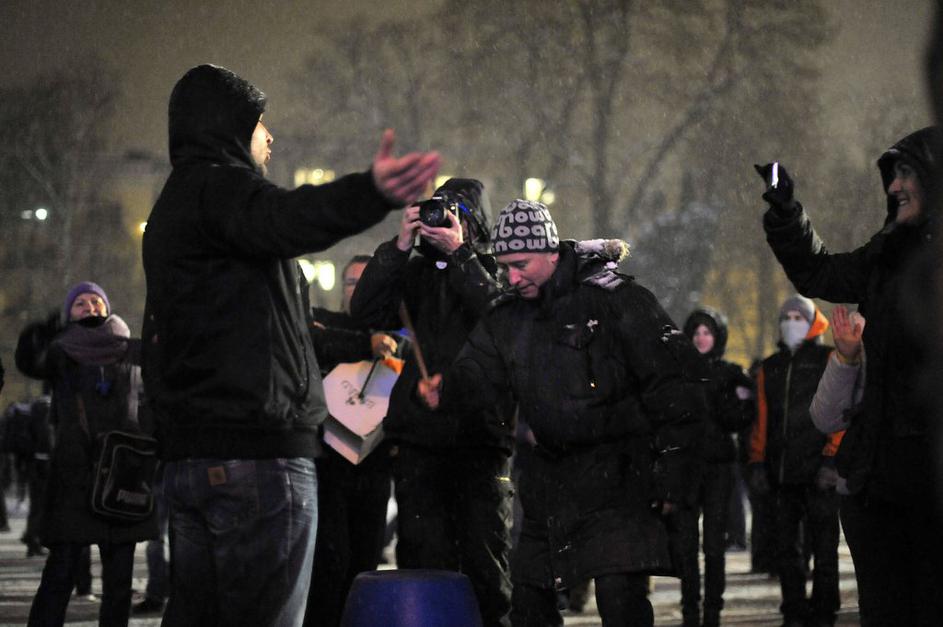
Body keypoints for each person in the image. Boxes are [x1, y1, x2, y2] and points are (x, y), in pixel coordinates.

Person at [141, 63, 439, 627]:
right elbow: (289, 217)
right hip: (256, 458)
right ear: (229, 129)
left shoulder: (173, 209)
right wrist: (369, 191)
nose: (269, 137)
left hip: (196, 457)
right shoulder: (222, 191)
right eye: (259, 124)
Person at [418, 199, 707, 627]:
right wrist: (448, 391)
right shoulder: (509, 317)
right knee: (530, 607)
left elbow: (674, 385)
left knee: (619, 602)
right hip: (550, 486)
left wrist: (675, 473)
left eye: (521, 264)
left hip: (619, 481)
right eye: (504, 267)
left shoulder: (615, 301)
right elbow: (476, 374)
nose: (512, 278)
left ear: (552, 253)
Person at [757, 127, 943, 625]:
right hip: (878, 485)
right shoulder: (885, 256)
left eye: (907, 173)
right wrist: (786, 215)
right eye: (893, 174)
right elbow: (820, 273)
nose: (895, 187)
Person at [349, 178, 515, 627]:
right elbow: (363, 312)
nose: (442, 220)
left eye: (454, 211)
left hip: (480, 442)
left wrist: (461, 255)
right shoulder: (414, 271)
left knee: (487, 564)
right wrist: (400, 245)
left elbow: (501, 322)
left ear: (472, 222)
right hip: (420, 442)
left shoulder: (493, 270)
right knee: (424, 561)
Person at [16, 281, 156, 627]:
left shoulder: (131, 349)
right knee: (60, 572)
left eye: (95, 301)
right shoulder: (61, 351)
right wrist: (39, 334)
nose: (90, 307)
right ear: (69, 314)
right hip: (73, 476)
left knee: (119, 581)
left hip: (124, 473)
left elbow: (155, 397)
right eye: (81, 303)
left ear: (107, 308)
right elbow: (30, 363)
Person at [302, 254, 400, 627]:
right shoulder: (328, 324)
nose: (356, 290)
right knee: (330, 560)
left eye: (365, 282)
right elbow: (314, 338)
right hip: (329, 468)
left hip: (373, 468)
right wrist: (365, 343)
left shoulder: (396, 334)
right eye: (351, 282)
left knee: (364, 560)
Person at [747, 295, 842, 627]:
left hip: (820, 471)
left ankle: (825, 609)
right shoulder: (770, 368)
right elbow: (762, 418)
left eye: (798, 316)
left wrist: (831, 459)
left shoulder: (829, 359)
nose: (791, 322)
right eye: (785, 316)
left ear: (813, 321)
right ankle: (794, 609)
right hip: (783, 474)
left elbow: (840, 412)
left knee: (825, 548)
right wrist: (758, 462)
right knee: (787, 550)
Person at [675, 307, 753, 627]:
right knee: (686, 545)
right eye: (696, 333)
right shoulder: (677, 372)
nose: (701, 338)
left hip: (719, 466)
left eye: (707, 332)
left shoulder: (731, 373)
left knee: (713, 545)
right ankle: (690, 610)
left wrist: (729, 405)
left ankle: (712, 612)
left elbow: (746, 414)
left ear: (717, 336)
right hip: (686, 466)